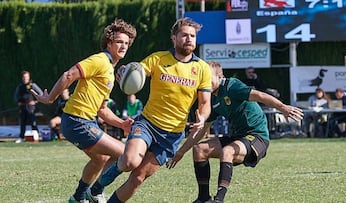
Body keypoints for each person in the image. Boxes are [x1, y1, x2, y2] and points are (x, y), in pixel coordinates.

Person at [90, 17, 212, 203]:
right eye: (184, 35)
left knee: (138, 178)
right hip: (147, 124)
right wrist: (124, 71)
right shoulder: (158, 59)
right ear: (174, 37)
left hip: (171, 136)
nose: (189, 39)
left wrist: (202, 118)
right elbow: (135, 71)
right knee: (130, 161)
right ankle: (96, 189)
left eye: (193, 36)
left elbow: (205, 103)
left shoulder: (202, 68)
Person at [166, 61, 304, 203]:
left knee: (227, 151)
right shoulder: (212, 99)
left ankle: (219, 200)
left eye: (208, 77)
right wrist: (180, 152)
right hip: (238, 136)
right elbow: (201, 130)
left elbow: (260, 96)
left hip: (257, 136)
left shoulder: (232, 86)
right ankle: (203, 198)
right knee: (200, 149)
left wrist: (283, 108)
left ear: (219, 76)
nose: (204, 81)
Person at [31, 18, 136, 203]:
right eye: (119, 41)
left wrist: (122, 123)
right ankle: (95, 191)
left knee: (100, 159)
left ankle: (78, 197)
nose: (123, 46)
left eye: (127, 43)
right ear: (109, 43)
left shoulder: (110, 70)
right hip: (77, 120)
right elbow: (68, 75)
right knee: (124, 153)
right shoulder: (100, 60)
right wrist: (50, 98)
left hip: (83, 121)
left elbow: (102, 110)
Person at [14, 70, 43, 143]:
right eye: (24, 77)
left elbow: (41, 94)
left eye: (26, 77)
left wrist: (35, 102)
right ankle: (21, 137)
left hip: (31, 107)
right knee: (22, 122)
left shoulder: (33, 85)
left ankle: (37, 136)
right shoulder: (20, 86)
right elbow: (16, 96)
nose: (25, 79)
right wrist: (18, 102)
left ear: (29, 77)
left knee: (33, 122)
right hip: (22, 107)